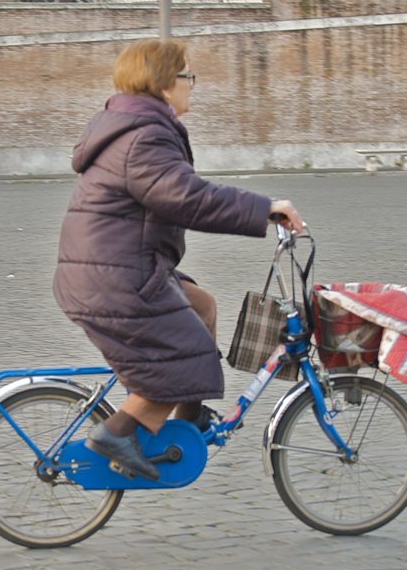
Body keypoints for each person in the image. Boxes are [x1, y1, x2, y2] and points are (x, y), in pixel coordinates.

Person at [52, 38, 303, 481]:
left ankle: (188, 422)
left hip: (115, 268)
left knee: (201, 305)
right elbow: (186, 198)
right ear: (166, 85)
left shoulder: (133, 125)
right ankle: (117, 432)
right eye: (188, 76)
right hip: (115, 280)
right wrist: (262, 208)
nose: (193, 85)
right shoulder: (144, 135)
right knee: (184, 358)